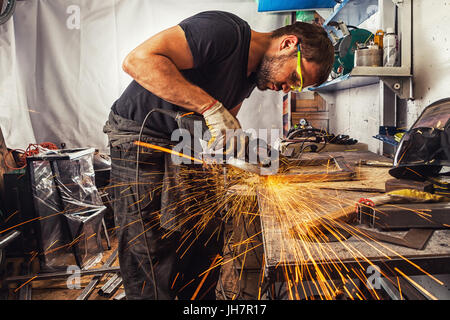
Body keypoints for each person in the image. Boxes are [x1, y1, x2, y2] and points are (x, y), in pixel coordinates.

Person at [103, 10, 334, 300]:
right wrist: (210, 107)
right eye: (294, 78)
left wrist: (253, 156)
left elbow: (219, 133)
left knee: (198, 238)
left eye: (296, 87)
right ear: (288, 44)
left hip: (182, 143)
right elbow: (137, 60)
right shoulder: (224, 32)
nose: (287, 89)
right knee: (146, 247)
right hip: (139, 137)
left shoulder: (249, 78)